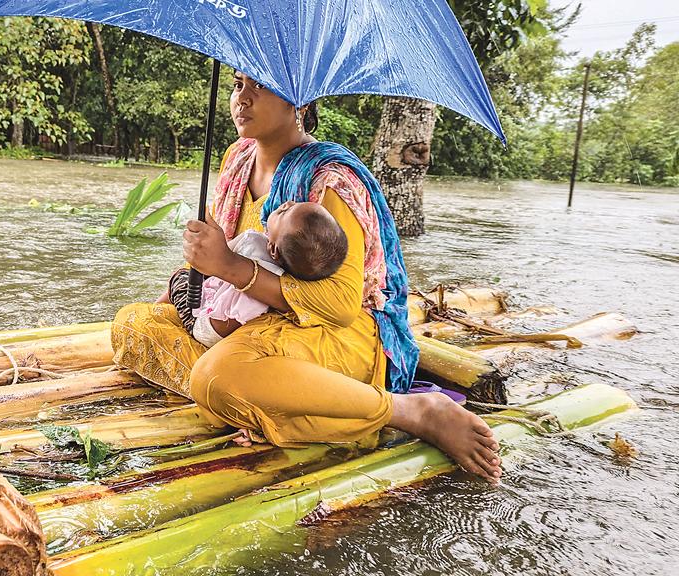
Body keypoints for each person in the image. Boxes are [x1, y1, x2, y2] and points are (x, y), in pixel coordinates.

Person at [111, 71, 502, 482]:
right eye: (237, 84)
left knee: (216, 377)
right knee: (132, 324)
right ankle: (268, 404)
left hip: (328, 334)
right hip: (245, 321)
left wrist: (230, 267)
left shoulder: (329, 182)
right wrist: (188, 283)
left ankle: (407, 411)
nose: (241, 99)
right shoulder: (236, 159)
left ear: (299, 100)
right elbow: (217, 262)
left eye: (259, 86)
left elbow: (341, 306)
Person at [168, 201, 348, 348]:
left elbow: (208, 265)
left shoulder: (252, 242)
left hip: (205, 328)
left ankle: (157, 309)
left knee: (179, 277)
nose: (287, 202)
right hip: (219, 328)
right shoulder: (284, 281)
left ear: (273, 249)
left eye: (285, 212)